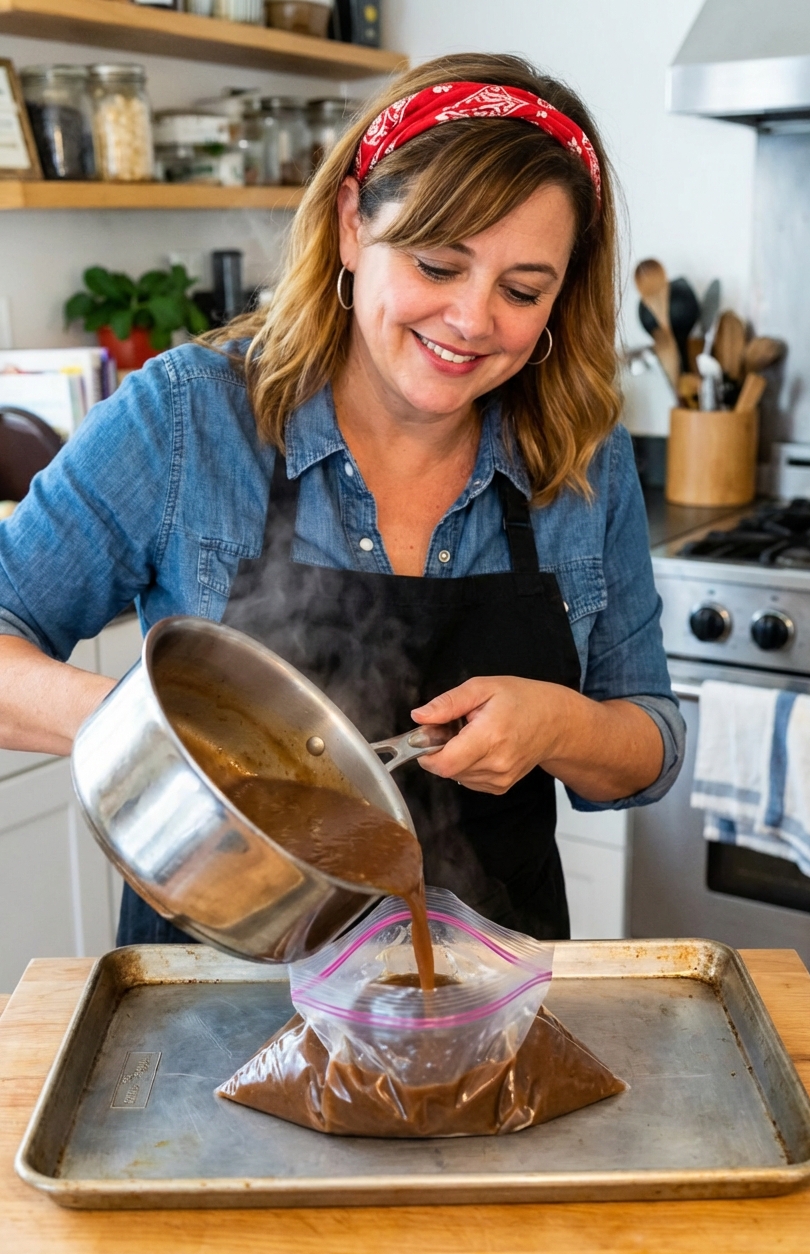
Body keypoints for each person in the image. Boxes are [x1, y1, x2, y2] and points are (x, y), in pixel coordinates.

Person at [0, 53, 684, 944]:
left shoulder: (585, 461)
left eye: (523, 290)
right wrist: (175, 741)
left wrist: (560, 725)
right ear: (353, 225)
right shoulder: (188, 420)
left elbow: (648, 746)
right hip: (208, 1009)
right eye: (439, 265)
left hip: (477, 1008)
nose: (475, 320)